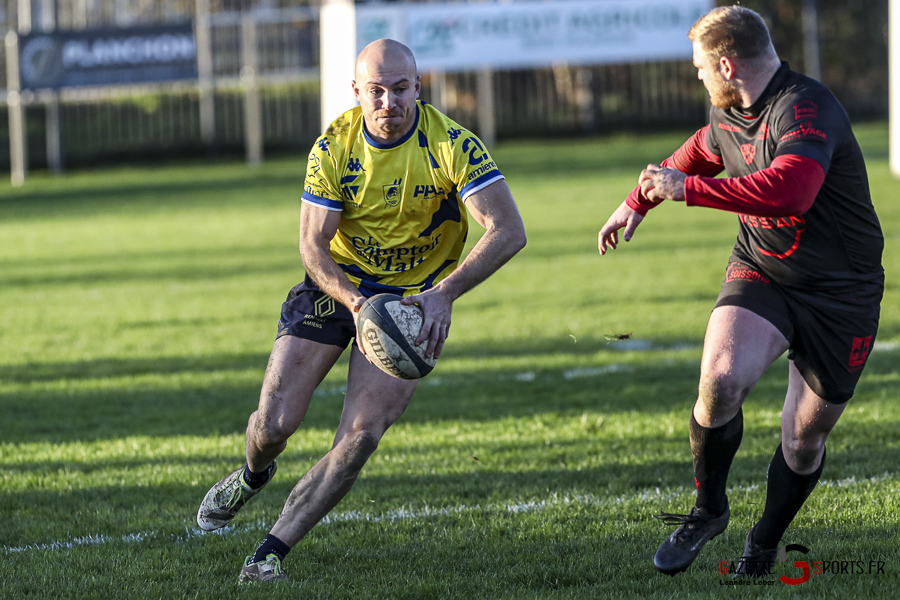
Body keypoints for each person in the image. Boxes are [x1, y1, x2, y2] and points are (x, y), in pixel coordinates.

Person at [197, 38, 527, 583]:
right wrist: (355, 302)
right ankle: (254, 474)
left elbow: (508, 230)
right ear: (356, 92)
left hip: (413, 304)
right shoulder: (335, 146)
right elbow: (312, 245)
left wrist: (443, 293)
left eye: (401, 89)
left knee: (359, 439)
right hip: (336, 288)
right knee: (274, 423)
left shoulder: (452, 145)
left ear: (418, 87)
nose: (389, 102)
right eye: (376, 91)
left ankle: (270, 551)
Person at [598, 6, 883, 577]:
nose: (698, 76)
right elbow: (703, 146)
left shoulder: (805, 107)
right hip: (764, 268)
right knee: (720, 377)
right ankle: (708, 510)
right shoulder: (731, 108)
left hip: (841, 292)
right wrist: (640, 199)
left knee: (804, 440)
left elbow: (792, 189)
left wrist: (691, 191)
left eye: (701, 67)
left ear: (727, 64)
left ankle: (764, 541)